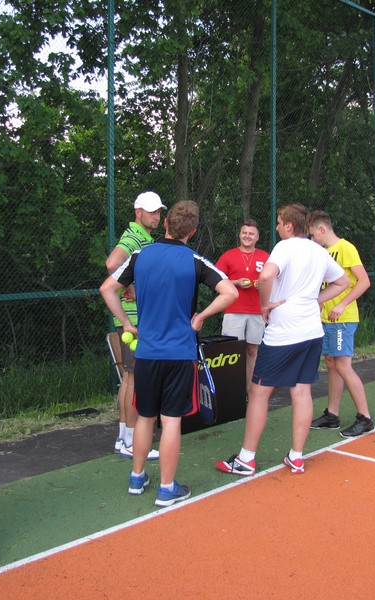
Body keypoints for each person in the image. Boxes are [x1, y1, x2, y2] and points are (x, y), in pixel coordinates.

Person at [100, 200, 238, 506]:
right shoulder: (195, 260)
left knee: (145, 416)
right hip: (179, 353)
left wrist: (126, 323)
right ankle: (166, 488)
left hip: (147, 353)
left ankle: (137, 478)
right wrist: (201, 317)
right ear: (193, 231)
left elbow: (106, 288)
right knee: (171, 420)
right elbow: (231, 292)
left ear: (165, 224)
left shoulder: (140, 255)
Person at [216, 203, 349, 476]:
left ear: (289, 225)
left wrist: (265, 304)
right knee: (301, 391)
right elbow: (343, 282)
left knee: (258, 393)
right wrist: (314, 301)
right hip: (311, 332)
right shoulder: (318, 250)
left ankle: (246, 459)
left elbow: (265, 275)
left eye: (279, 223)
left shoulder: (285, 247)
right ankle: (296, 457)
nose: (277, 227)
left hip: (283, 333)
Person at [105, 191, 165, 460]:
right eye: (151, 211)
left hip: (133, 319)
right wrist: (128, 286)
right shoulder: (134, 237)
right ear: (137, 213)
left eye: (158, 211)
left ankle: (123, 438)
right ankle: (131, 441)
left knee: (129, 378)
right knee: (135, 379)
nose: (156, 216)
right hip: (135, 321)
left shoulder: (143, 237)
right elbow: (112, 263)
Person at [307, 211, 374, 437]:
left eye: (313, 234)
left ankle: (365, 417)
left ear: (322, 229)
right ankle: (332, 415)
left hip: (342, 319)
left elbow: (364, 281)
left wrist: (342, 304)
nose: (312, 239)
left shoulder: (345, 248)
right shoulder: (324, 252)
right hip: (327, 318)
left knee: (343, 365)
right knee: (331, 363)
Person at [214, 220, 270, 393]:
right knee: (231, 352)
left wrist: (264, 285)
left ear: (257, 237)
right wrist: (236, 282)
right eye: (244, 233)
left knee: (252, 350)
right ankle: (231, 391)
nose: (247, 236)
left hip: (256, 310)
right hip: (233, 310)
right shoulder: (228, 256)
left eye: (251, 233)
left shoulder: (265, 257)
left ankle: (248, 391)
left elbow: (275, 281)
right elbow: (216, 281)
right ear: (240, 235)